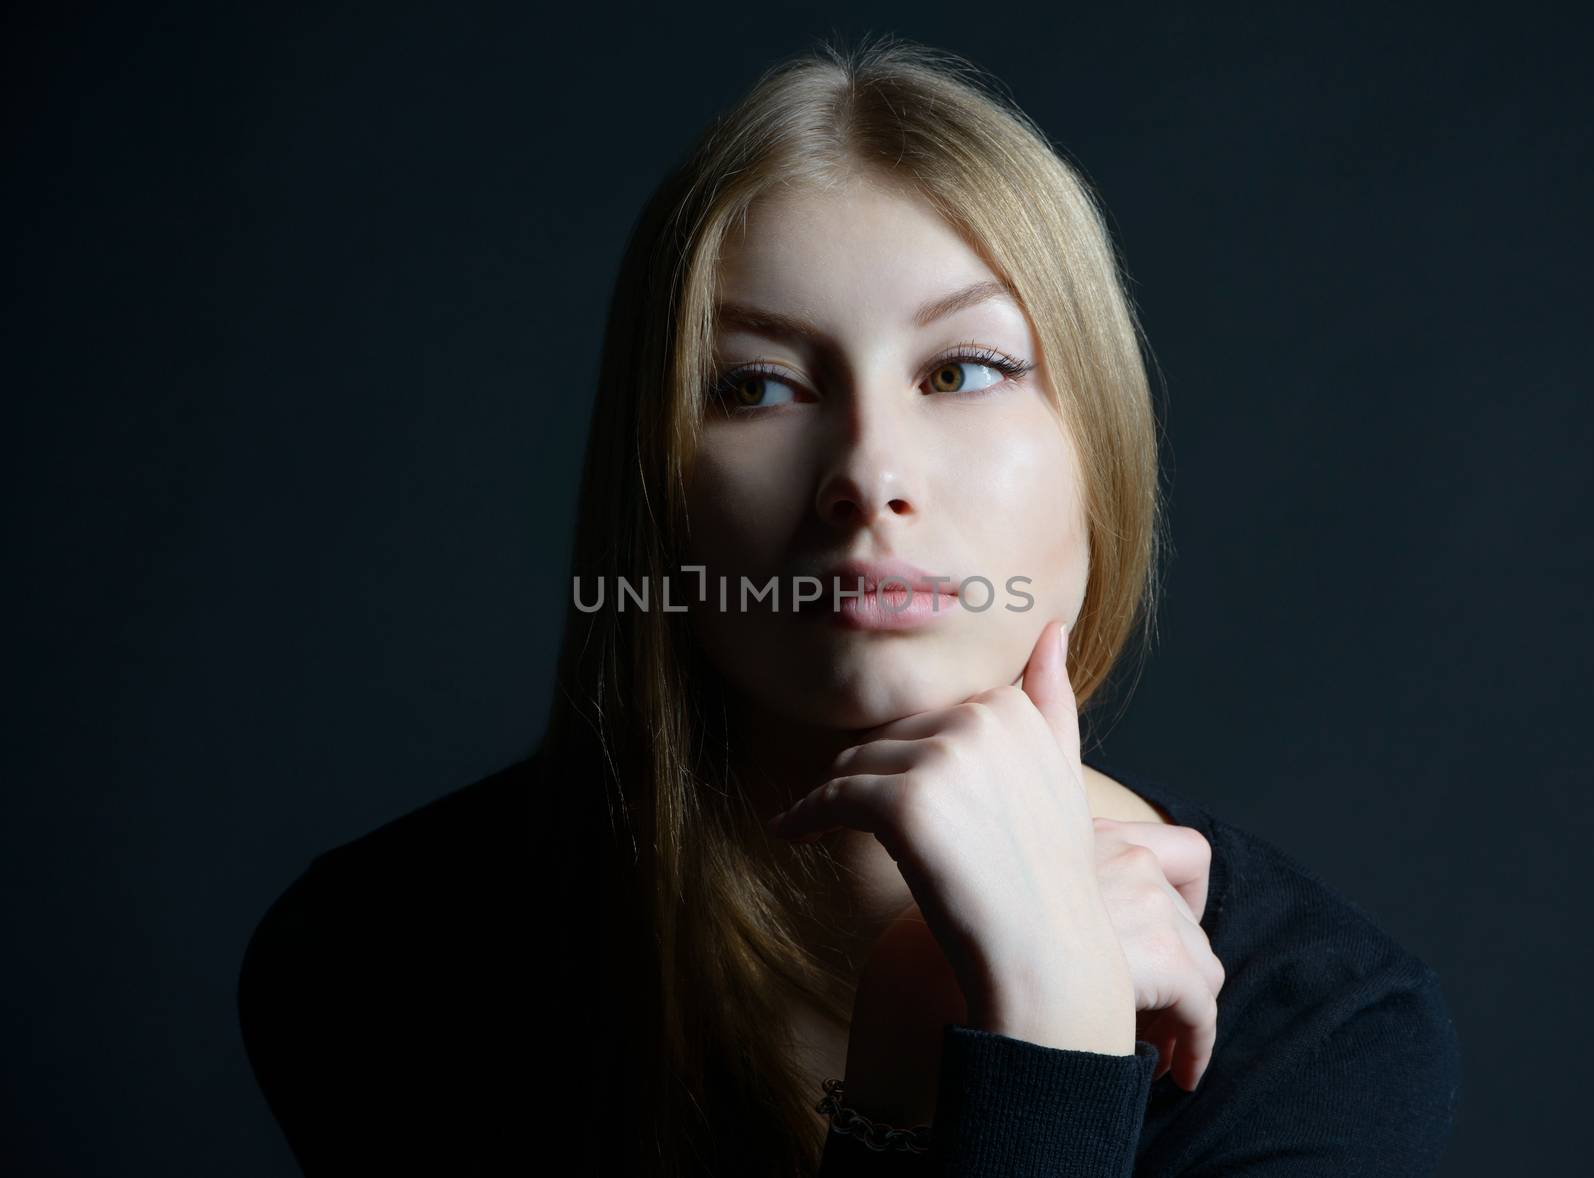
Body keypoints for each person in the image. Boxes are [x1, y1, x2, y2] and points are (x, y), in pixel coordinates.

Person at [237, 35, 1462, 1176]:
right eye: (757, 385)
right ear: (654, 486)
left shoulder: (1318, 1035)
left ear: (1099, 449)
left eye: (964, 369)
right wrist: (971, 1049)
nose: (867, 473)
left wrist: (1034, 1036)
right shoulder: (381, 957)